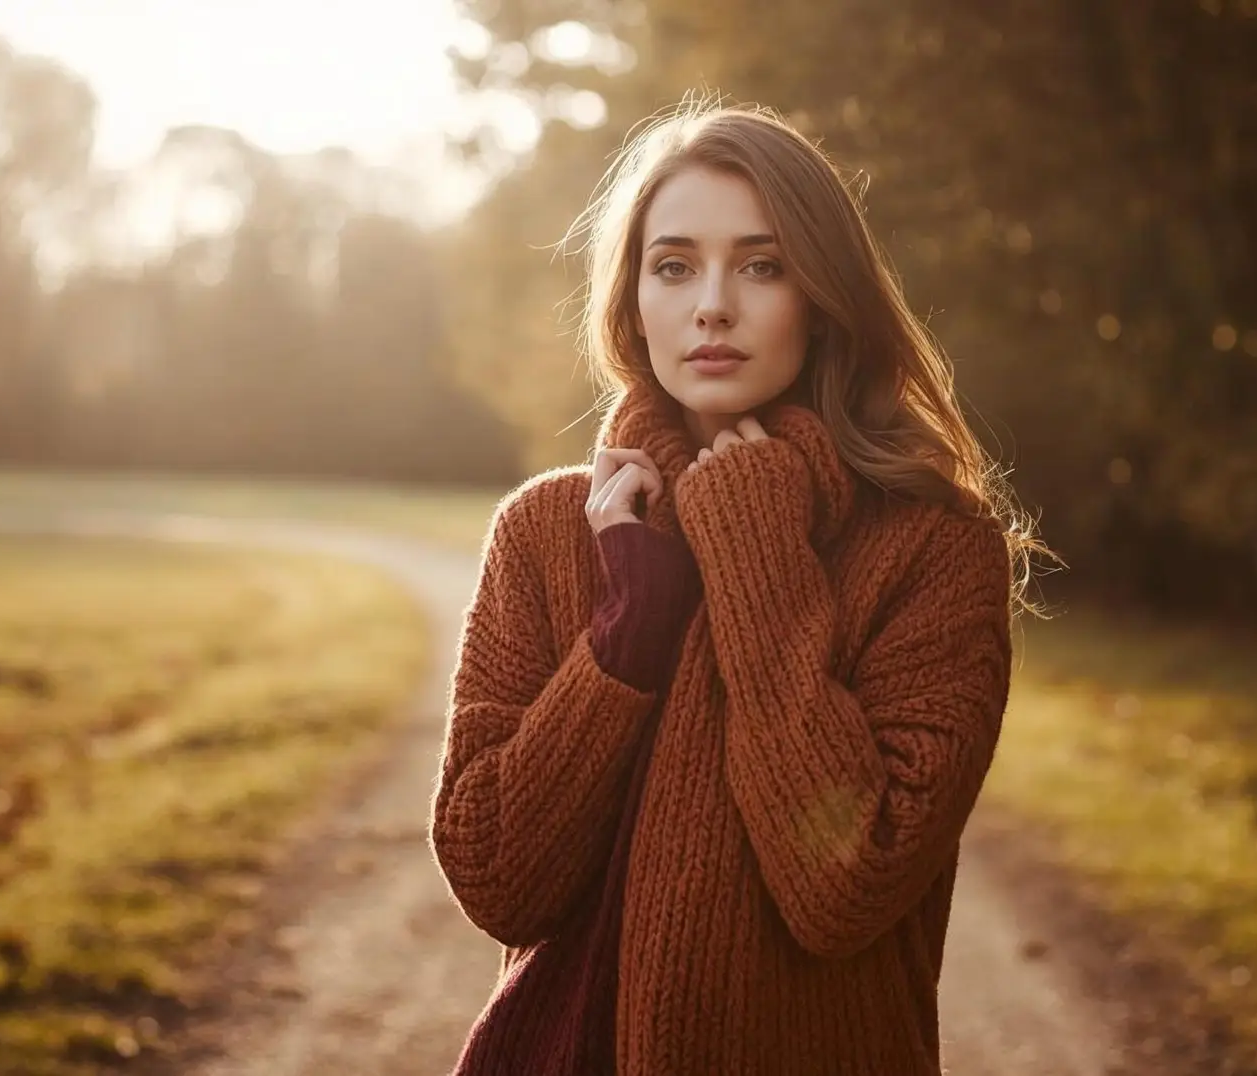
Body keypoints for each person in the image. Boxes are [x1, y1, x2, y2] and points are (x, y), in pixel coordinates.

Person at [429, 97, 1045, 1076]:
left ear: (824, 293)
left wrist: (758, 554)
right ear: (632, 298)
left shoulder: (935, 548)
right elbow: (498, 876)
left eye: (762, 264)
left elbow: (845, 881)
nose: (712, 302)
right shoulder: (549, 532)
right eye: (674, 265)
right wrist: (627, 630)